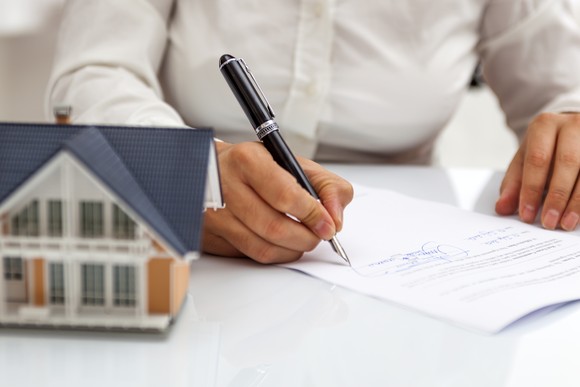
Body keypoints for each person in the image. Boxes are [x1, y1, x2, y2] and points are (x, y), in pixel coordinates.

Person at [47, 0, 580, 263]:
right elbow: (92, 73)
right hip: (190, 247)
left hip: (414, 258)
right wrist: (188, 170)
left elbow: (564, 86)